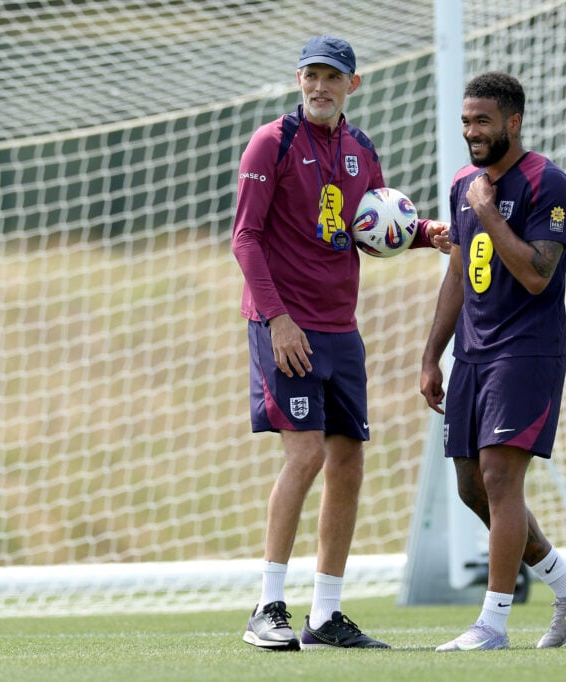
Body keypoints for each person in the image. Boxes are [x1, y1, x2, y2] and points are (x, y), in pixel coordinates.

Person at [232, 35, 449, 651]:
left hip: (341, 329)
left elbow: (371, 230)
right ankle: (267, 606)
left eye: (332, 77)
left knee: (348, 462)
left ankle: (325, 615)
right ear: (298, 79)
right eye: (311, 75)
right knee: (305, 454)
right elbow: (245, 238)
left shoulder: (361, 149)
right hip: (286, 327)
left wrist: (427, 233)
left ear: (353, 84)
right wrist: (277, 319)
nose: (320, 86)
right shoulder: (272, 142)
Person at [419, 71, 566, 652]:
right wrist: (431, 356)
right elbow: (457, 274)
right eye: (466, 121)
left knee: (501, 478)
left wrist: (489, 212)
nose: (472, 131)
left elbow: (536, 274)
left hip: (527, 350)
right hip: (472, 355)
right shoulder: (463, 183)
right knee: (472, 488)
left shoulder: (548, 183)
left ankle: (492, 625)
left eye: (483, 121)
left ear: (513, 122)